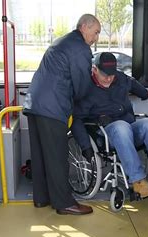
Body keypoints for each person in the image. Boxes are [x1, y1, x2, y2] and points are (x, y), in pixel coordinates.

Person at [71, 52, 148, 199]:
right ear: (94, 69)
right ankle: (138, 182)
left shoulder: (120, 78)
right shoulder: (85, 87)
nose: (109, 78)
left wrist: (139, 88)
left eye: (112, 74)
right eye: (105, 75)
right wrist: (85, 146)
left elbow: (143, 93)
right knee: (121, 127)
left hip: (128, 127)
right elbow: (76, 119)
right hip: (105, 134)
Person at [23, 14, 101, 215]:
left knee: (41, 154)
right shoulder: (80, 48)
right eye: (96, 32)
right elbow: (82, 84)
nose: (96, 38)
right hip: (52, 107)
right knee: (57, 156)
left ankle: (42, 198)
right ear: (84, 27)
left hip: (35, 103)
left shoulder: (62, 41)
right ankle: (64, 203)